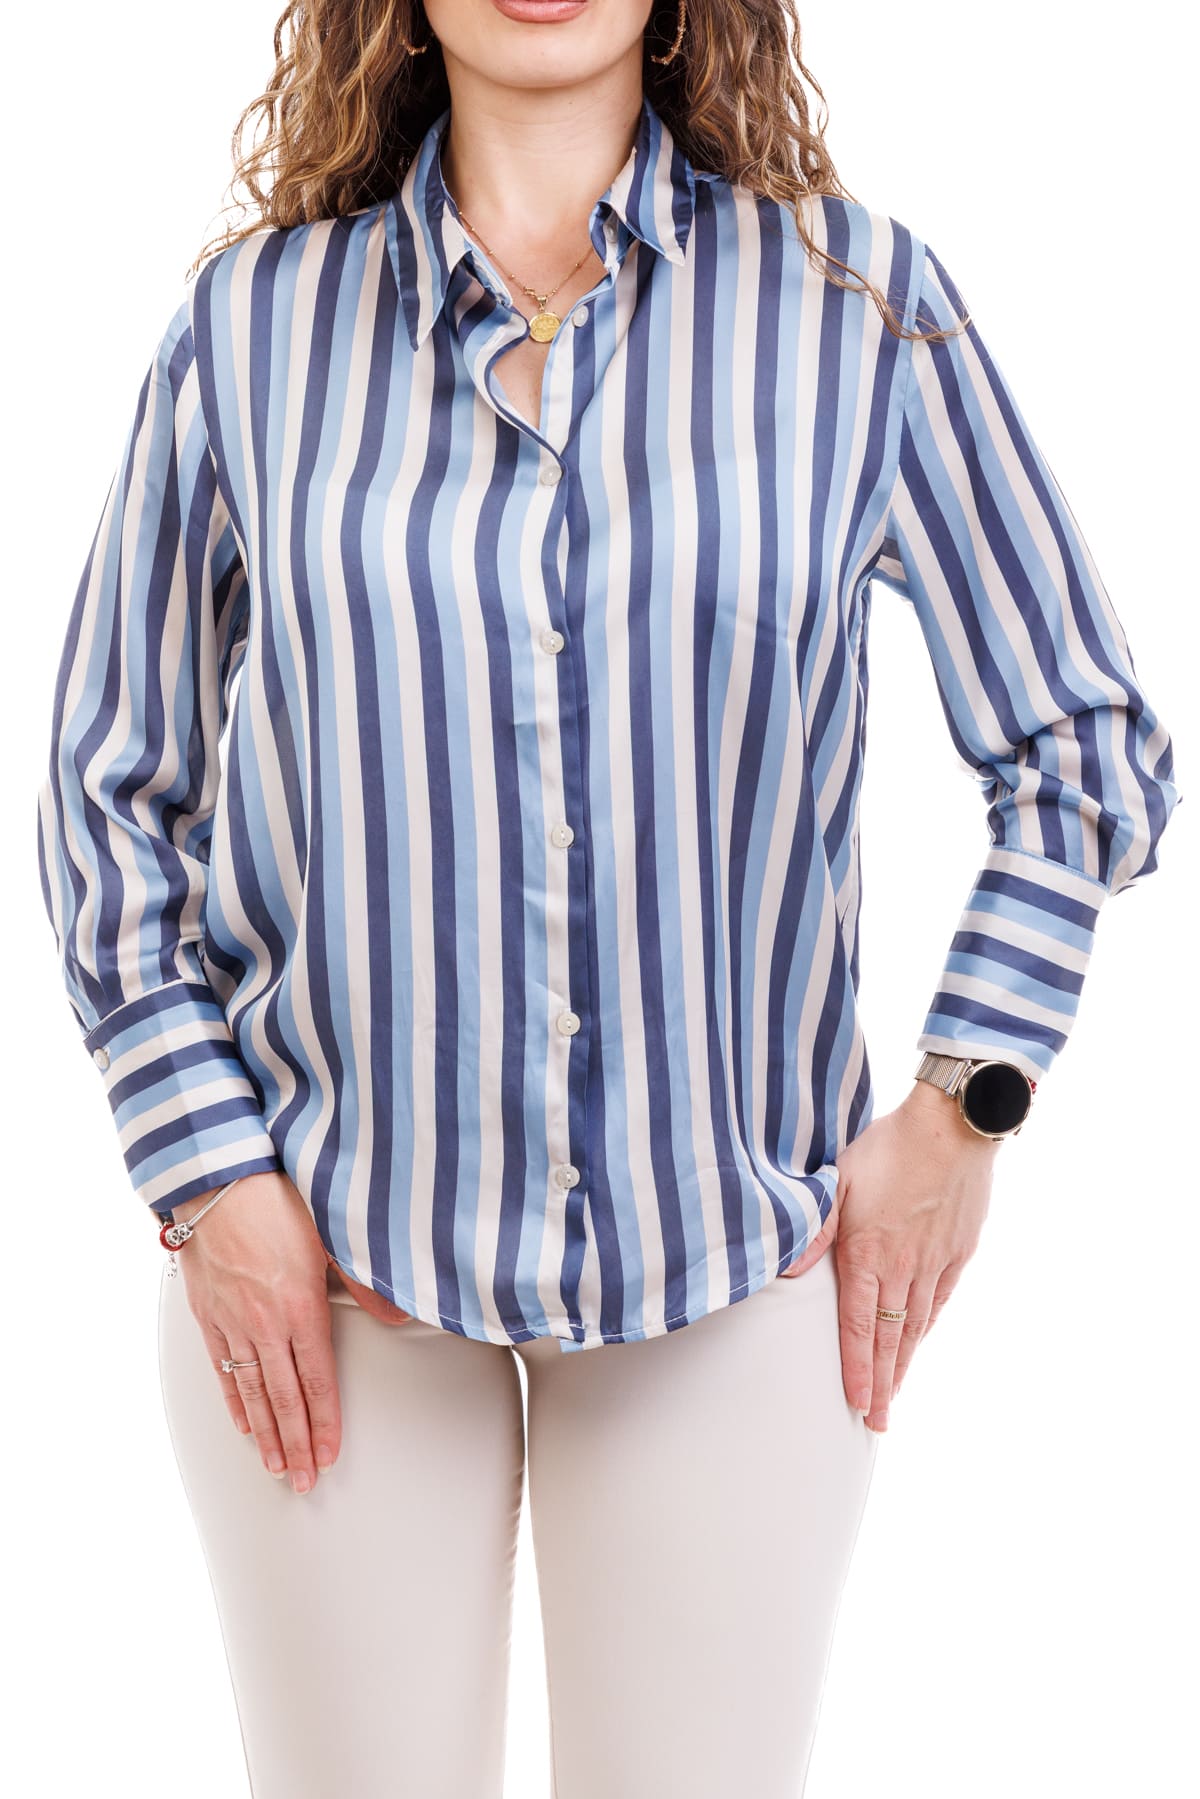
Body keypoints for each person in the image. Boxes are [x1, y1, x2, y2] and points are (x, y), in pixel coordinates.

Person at [34, 2, 1181, 1795]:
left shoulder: (856, 308)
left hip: (731, 1266)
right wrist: (207, 1174)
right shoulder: (250, 331)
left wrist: (967, 1103)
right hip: (332, 1262)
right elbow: (113, 784)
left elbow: (1085, 742)